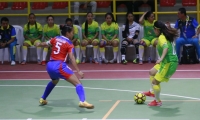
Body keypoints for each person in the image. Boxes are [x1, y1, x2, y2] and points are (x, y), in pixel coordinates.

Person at [36, 25, 94, 109]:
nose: (73, 34)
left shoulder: (55, 38)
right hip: (59, 66)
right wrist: (78, 71)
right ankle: (82, 101)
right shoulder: (69, 44)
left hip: (49, 65)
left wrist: (38, 44)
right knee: (78, 83)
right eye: (72, 32)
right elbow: (72, 58)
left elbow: (44, 44)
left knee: (54, 81)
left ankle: (43, 98)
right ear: (67, 33)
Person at [143, 21, 179, 106]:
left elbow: (165, 48)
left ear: (157, 30)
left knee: (155, 82)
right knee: (151, 72)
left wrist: (160, 59)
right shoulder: (166, 36)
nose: (153, 31)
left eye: (154, 29)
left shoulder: (161, 37)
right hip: (166, 62)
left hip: (169, 64)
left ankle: (158, 101)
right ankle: (152, 92)